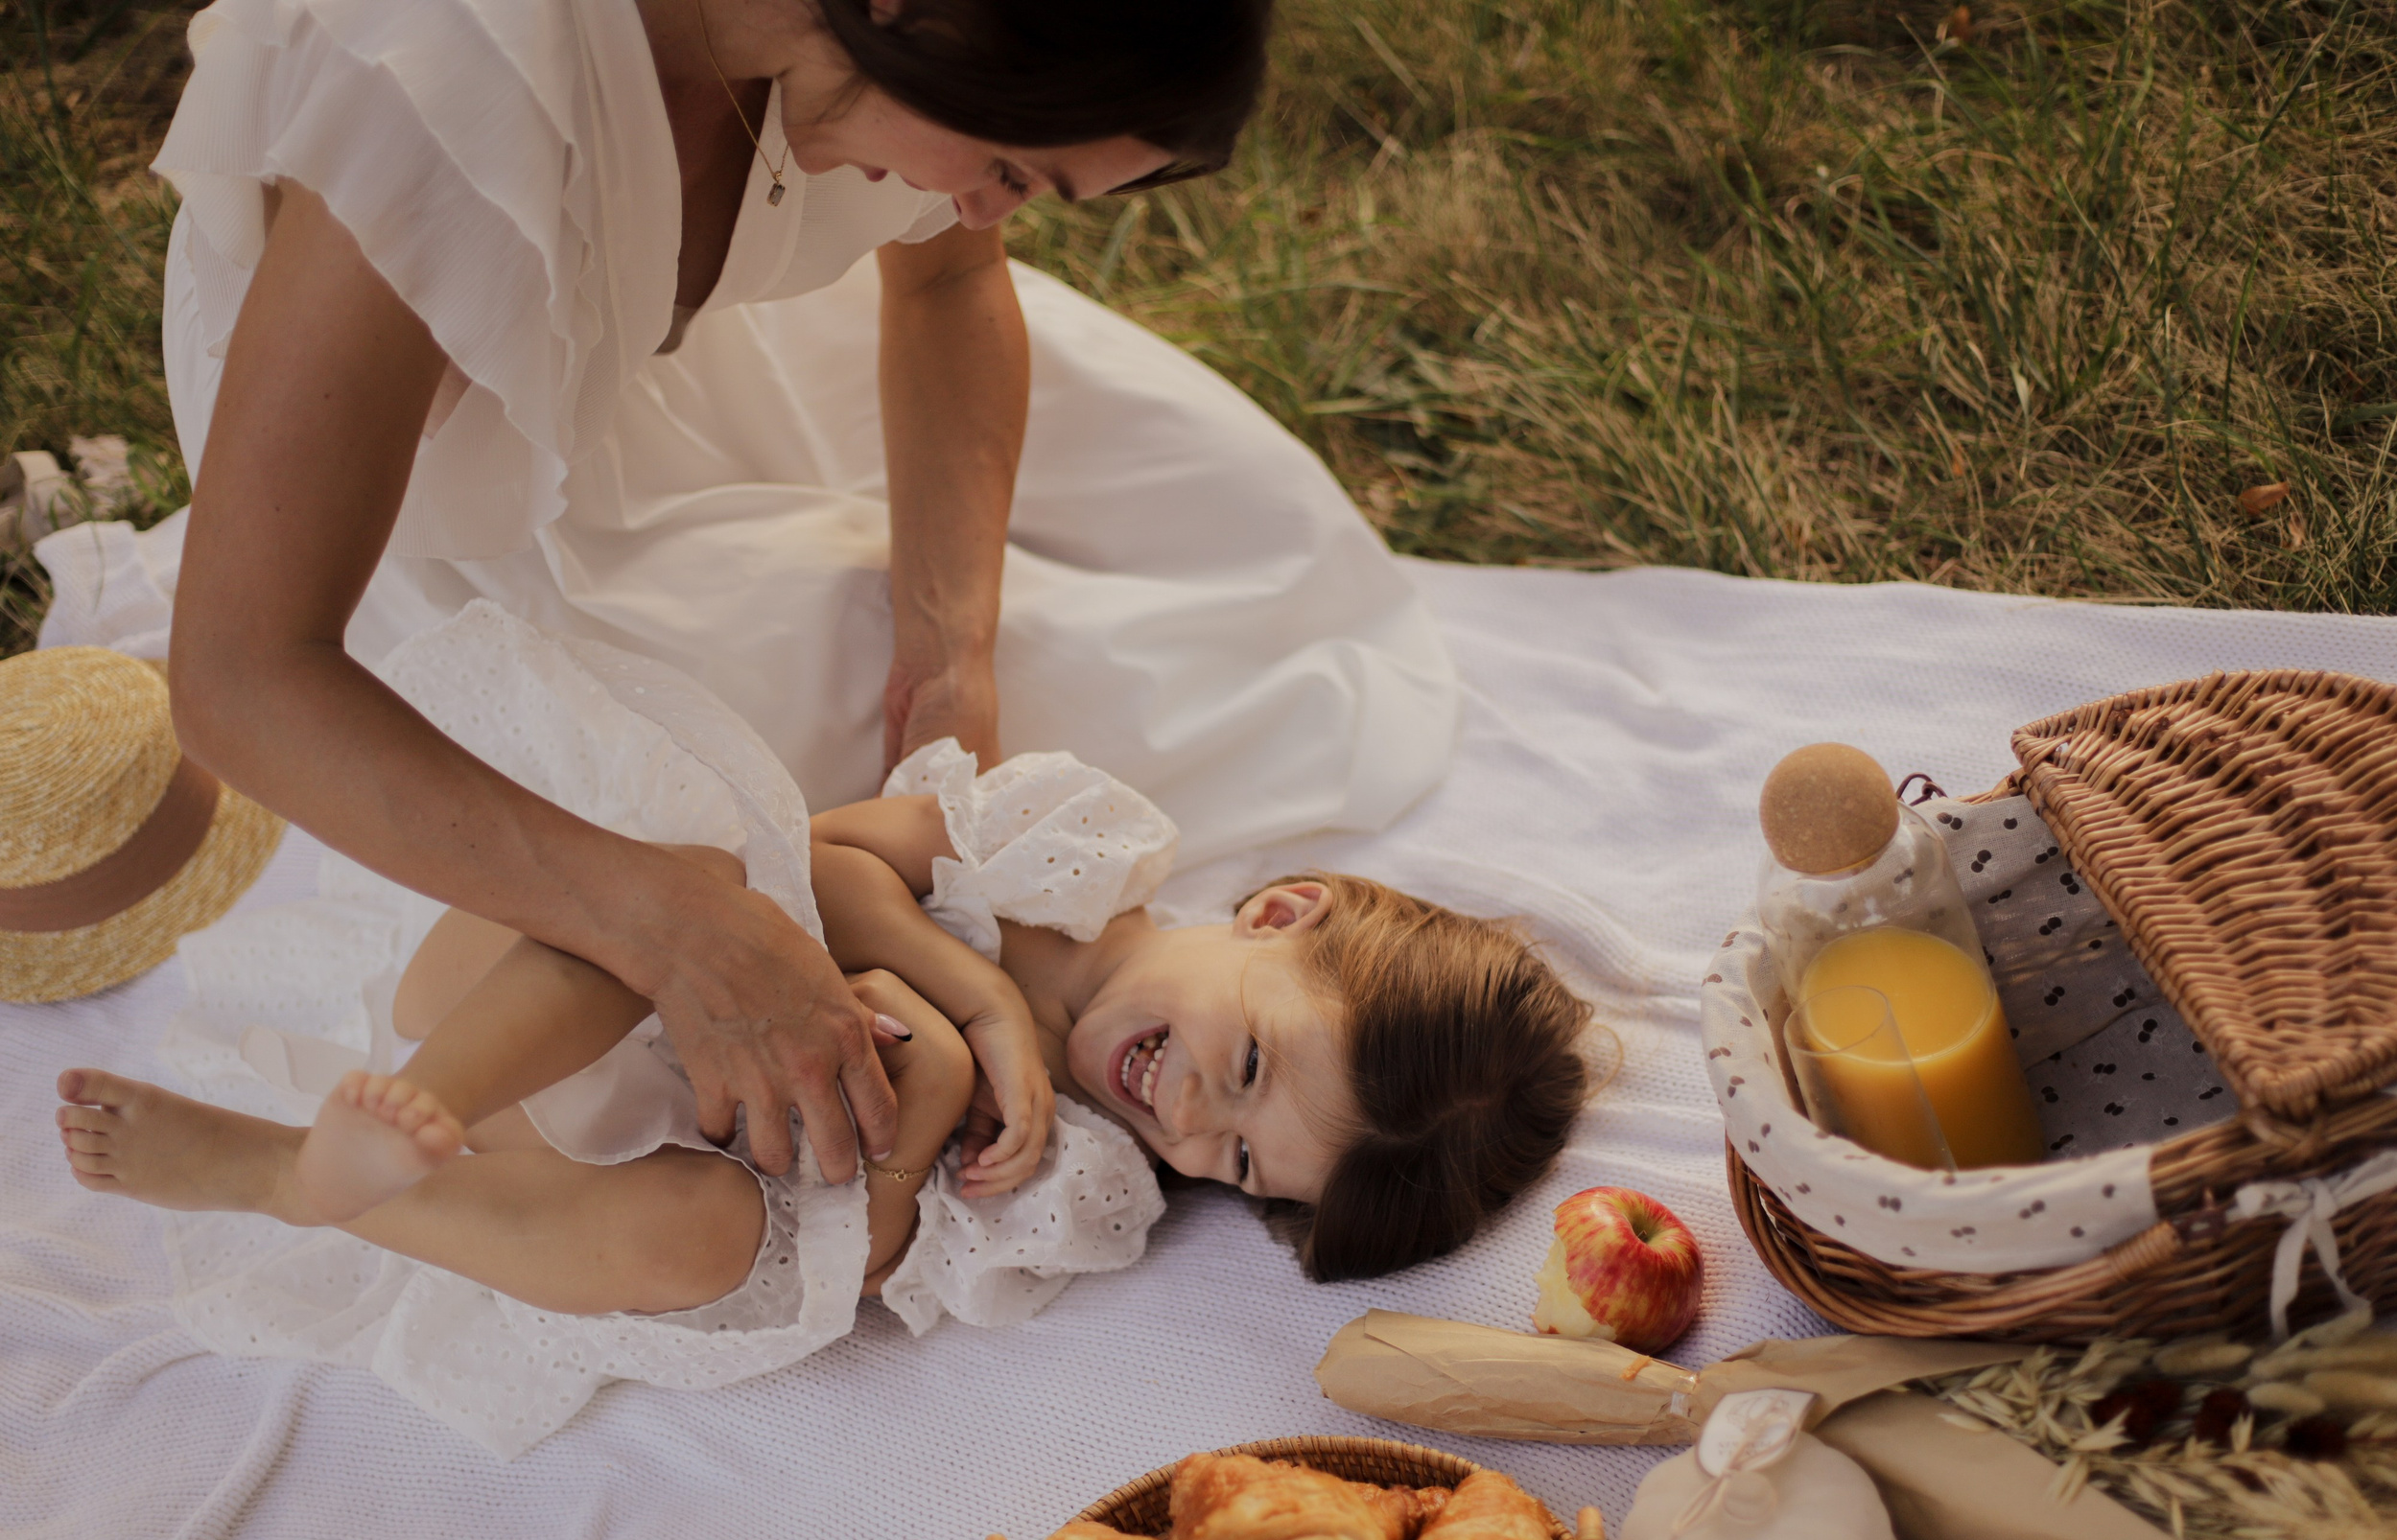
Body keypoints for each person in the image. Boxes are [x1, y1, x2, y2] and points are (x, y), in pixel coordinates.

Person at [139, 0, 1458, 1217]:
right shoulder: (444, 85)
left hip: (689, 364)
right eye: (1009, 167)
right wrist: (672, 926)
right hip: (437, 489)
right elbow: (243, 674)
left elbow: (948, 281)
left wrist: (951, 653)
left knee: (1168, 624)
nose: (987, 206)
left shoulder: (881, 68)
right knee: (722, 799)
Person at [51, 605, 1581, 1455]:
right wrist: (958, 990)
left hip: (638, 1168)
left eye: (1241, 1163)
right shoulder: (1069, 847)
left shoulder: (1090, 1182)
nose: (1185, 1116)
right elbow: (824, 852)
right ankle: (398, 1110)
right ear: (1280, 916)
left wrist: (910, 1139)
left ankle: (300, 1183)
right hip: (531, 1009)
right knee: (711, 887)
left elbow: (878, 1274)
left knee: (699, 1248)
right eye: (1243, 1064)